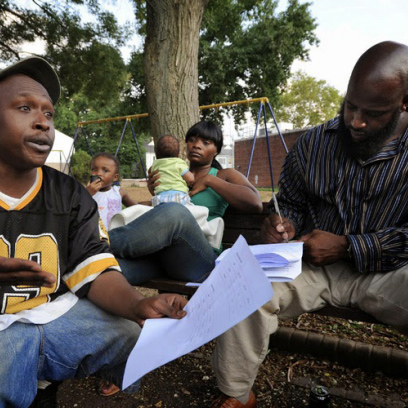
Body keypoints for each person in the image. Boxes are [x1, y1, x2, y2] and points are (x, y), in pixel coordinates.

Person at [209, 40, 408, 408]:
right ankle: (237, 393)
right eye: (350, 105)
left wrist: (350, 246)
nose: (356, 121)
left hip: (392, 271)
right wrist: (280, 223)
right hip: (311, 266)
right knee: (246, 281)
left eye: (374, 113)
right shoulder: (315, 143)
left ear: (404, 104)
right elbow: (292, 202)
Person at [0, 56, 188, 408]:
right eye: (25, 108)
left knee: (127, 330)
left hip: (48, 319)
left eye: (49, 113)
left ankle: (42, 379)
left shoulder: (69, 194)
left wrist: (138, 303)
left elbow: (95, 268)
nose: (43, 122)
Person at [108, 120, 263, 285]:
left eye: (205, 142)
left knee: (176, 211)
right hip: (161, 256)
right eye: (192, 140)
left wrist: (210, 181)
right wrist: (157, 196)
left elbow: (255, 202)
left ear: (216, 150)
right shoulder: (173, 175)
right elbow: (152, 216)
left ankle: (99, 243)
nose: (196, 145)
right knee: (105, 269)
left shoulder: (224, 175)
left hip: (200, 258)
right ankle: (94, 252)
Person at [86, 152, 136, 228]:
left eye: (105, 170)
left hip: (115, 235)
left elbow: (136, 208)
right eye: (94, 169)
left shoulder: (119, 192)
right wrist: (87, 194)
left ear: (115, 177)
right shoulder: (86, 192)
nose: (98, 173)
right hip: (94, 236)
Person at [150, 134, 194, 206]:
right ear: (178, 153)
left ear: (157, 153)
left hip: (159, 197)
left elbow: (152, 174)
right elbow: (190, 179)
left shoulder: (155, 165)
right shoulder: (178, 163)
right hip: (178, 196)